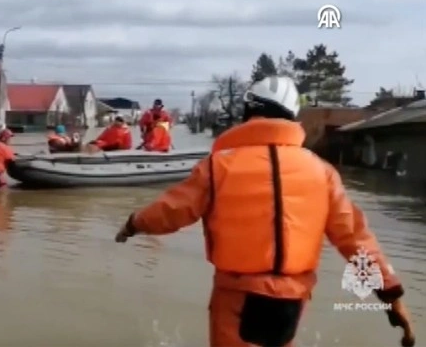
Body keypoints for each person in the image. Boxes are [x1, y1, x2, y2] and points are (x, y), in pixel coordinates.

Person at [114, 75, 415, 347]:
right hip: (292, 301)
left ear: (248, 113)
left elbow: (172, 211)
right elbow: (354, 238)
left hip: (237, 297)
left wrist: (133, 224)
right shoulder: (321, 172)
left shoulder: (219, 166)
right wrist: (389, 294)